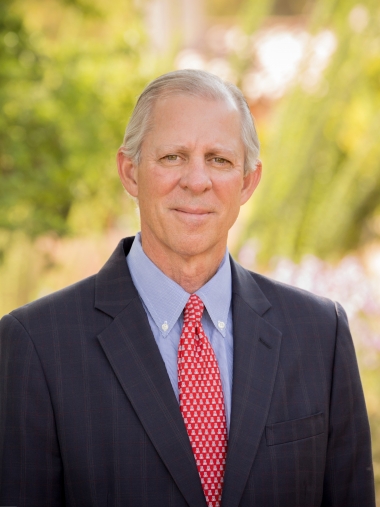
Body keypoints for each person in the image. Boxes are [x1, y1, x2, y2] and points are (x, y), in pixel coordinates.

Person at [0, 69, 375, 507]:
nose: (197, 181)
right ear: (130, 173)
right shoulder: (36, 345)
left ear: (248, 181)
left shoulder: (320, 334)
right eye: (173, 156)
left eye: (219, 159)